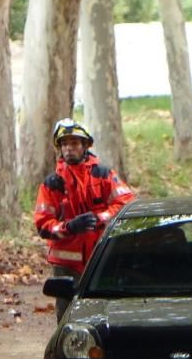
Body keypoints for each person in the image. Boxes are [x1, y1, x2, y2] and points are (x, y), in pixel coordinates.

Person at [33, 118, 135, 320]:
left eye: (74, 143)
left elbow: (126, 203)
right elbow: (43, 225)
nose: (68, 149)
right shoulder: (52, 184)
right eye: (64, 144)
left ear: (85, 146)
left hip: (101, 256)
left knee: (102, 310)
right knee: (67, 315)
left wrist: (99, 218)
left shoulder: (103, 175)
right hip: (67, 264)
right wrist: (69, 227)